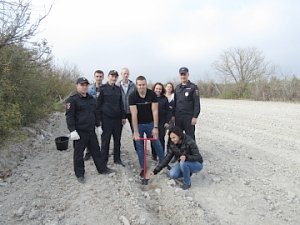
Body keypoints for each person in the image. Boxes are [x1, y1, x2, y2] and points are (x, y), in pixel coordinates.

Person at [65, 77, 108, 183]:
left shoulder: (91, 99)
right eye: (82, 85)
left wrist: (98, 125)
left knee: (96, 151)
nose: (84, 87)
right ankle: (80, 174)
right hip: (79, 132)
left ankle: (102, 169)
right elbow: (69, 116)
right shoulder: (72, 100)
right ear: (77, 86)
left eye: (86, 85)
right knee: (79, 154)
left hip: (91, 131)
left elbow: (96, 113)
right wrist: (72, 130)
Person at [129, 76, 164, 177]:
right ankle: (143, 167)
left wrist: (155, 127)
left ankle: (163, 162)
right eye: (139, 85)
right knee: (139, 146)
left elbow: (155, 111)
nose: (141, 87)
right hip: (138, 124)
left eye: (143, 84)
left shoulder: (152, 94)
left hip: (150, 123)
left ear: (146, 84)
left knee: (156, 142)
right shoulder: (132, 96)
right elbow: (134, 114)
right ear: (136, 85)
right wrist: (135, 131)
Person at [96, 70, 126, 168]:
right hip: (106, 119)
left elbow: (121, 103)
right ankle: (103, 161)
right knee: (105, 141)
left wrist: (123, 116)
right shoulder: (103, 89)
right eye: (112, 76)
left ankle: (117, 159)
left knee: (117, 140)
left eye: (115, 77)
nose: (114, 78)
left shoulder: (118, 89)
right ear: (108, 77)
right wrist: (99, 121)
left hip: (117, 120)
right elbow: (98, 105)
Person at [173, 67, 200, 140]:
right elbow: (175, 103)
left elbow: (197, 103)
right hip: (178, 117)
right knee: (178, 136)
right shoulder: (177, 88)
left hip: (189, 117)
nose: (183, 76)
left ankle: (192, 151)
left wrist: (195, 117)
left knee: (190, 136)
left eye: (184, 74)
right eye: (181, 75)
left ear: (188, 75)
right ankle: (180, 151)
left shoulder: (193, 87)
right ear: (179, 76)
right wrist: (173, 115)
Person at [84, 70, 104, 161]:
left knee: (103, 133)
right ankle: (89, 152)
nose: (99, 78)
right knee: (90, 133)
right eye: (97, 76)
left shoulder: (105, 88)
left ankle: (101, 151)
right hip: (91, 113)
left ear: (103, 77)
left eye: (100, 76)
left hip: (103, 114)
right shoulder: (89, 89)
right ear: (94, 77)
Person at [117, 67, 136, 150]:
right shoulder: (117, 86)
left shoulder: (133, 85)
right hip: (121, 112)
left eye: (127, 73)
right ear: (121, 75)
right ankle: (117, 151)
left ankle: (138, 148)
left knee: (135, 131)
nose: (126, 75)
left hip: (132, 112)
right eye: (124, 73)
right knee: (118, 133)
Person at [150, 82, 169, 161]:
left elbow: (168, 111)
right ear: (154, 89)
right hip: (152, 121)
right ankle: (154, 155)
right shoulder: (150, 97)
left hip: (162, 122)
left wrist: (167, 121)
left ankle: (161, 155)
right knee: (153, 139)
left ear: (162, 90)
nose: (158, 90)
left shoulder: (164, 98)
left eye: (160, 89)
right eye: (157, 88)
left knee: (161, 138)